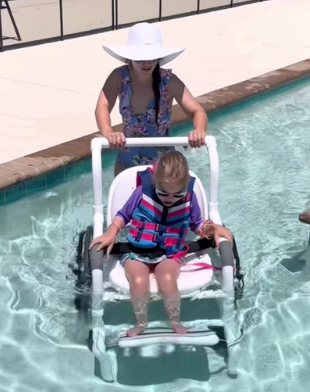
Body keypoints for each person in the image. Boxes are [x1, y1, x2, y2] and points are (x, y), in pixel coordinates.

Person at [89, 151, 233, 337]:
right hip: (136, 251)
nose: (170, 199)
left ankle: (175, 322)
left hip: (170, 253)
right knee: (139, 281)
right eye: (163, 193)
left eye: (177, 195)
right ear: (155, 183)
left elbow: (197, 225)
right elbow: (123, 215)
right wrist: (111, 232)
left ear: (185, 188)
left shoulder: (189, 199)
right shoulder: (142, 193)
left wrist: (213, 229)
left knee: (166, 279)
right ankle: (141, 323)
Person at [95, 22, 209, 177]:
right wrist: (108, 132)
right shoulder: (119, 77)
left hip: (164, 168)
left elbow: (197, 111)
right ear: (131, 57)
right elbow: (103, 105)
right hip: (127, 163)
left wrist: (199, 130)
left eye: (152, 58)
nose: (147, 63)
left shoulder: (169, 81)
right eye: (141, 58)